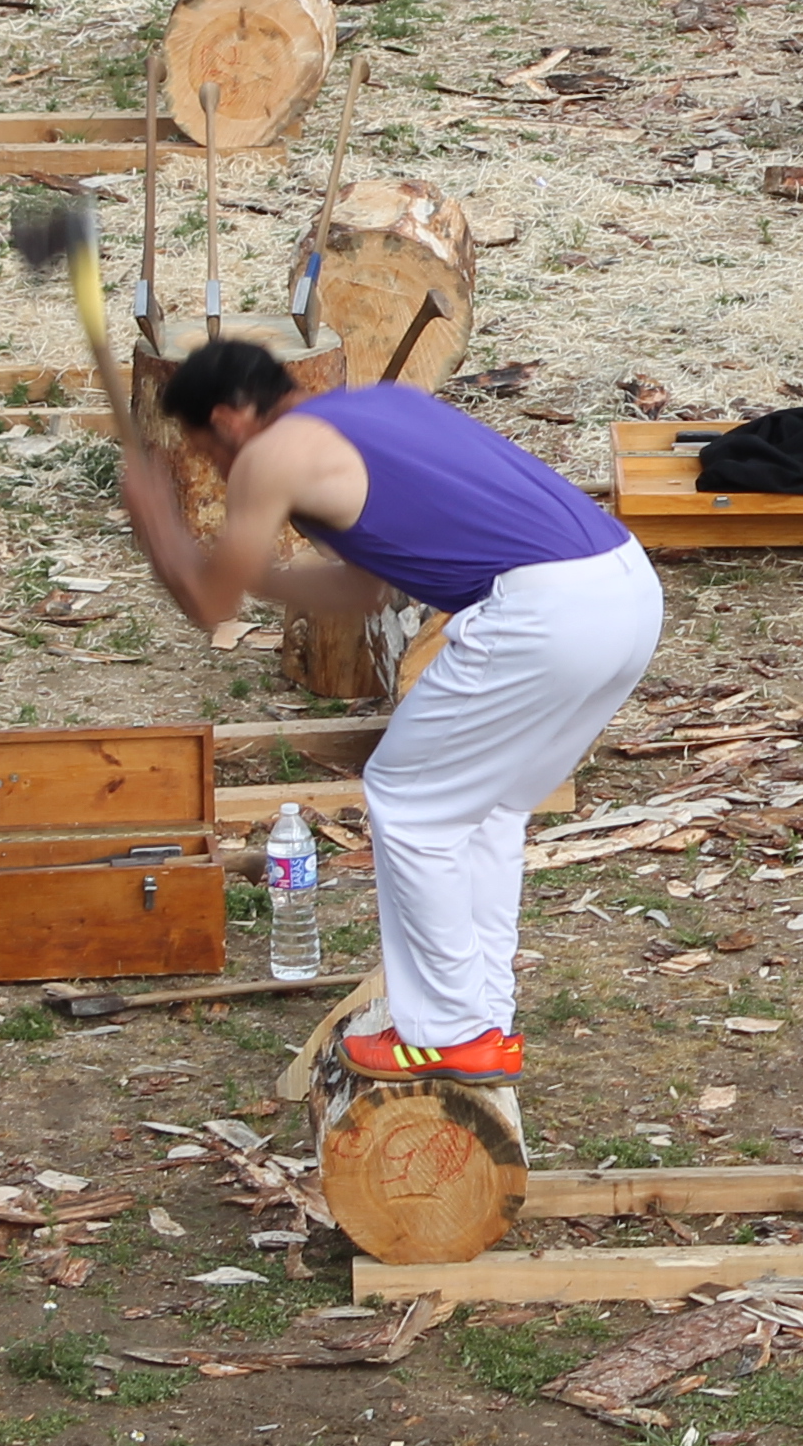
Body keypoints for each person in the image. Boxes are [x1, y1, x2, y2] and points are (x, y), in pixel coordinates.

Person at [135, 345, 663, 1081]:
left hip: (543, 613)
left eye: (204, 452)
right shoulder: (375, 410)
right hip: (625, 589)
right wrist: (264, 574)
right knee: (486, 811)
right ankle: (482, 1019)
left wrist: (156, 523)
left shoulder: (270, 454)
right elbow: (361, 594)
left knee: (411, 803)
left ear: (227, 420)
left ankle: (448, 1032)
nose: (217, 472)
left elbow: (210, 604)